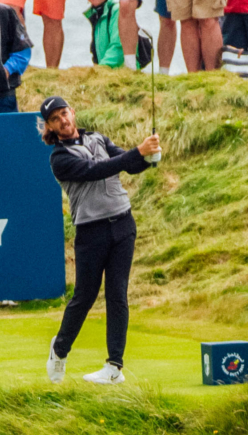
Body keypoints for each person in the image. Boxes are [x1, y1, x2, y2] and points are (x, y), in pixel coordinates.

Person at [40, 95, 159, 387]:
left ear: (73, 112)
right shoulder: (59, 159)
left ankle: (114, 367)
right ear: (51, 127)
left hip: (123, 224)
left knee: (117, 294)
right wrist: (137, 152)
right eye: (55, 119)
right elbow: (97, 171)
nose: (63, 120)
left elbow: (129, 165)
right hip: (91, 231)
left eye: (64, 113)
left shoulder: (98, 139)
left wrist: (149, 157)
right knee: (85, 296)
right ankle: (60, 350)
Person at [80, 0, 125, 69]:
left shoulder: (117, 10)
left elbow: (118, 46)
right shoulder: (95, 15)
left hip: (121, 73)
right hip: (107, 72)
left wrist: (100, 70)